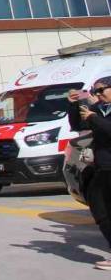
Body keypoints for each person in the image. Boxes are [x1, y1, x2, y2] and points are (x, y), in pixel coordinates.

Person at [70, 80, 111, 270]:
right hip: (103, 168)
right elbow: (77, 124)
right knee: (100, 209)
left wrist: (94, 117)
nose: (98, 94)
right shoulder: (99, 109)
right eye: (95, 91)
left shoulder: (97, 113)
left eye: (101, 90)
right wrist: (73, 105)